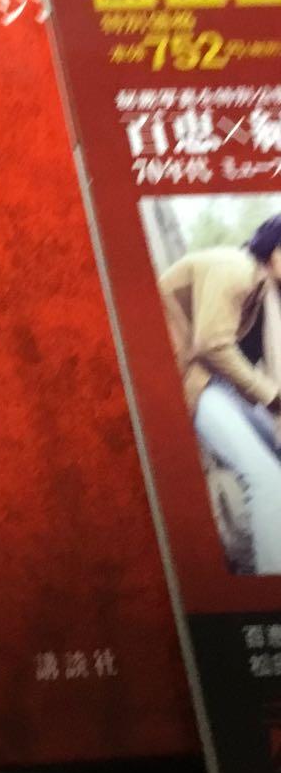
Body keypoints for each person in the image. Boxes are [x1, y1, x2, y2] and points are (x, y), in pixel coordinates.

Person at [160, 212, 281, 574]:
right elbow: (212, 344)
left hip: (206, 378)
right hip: (182, 379)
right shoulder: (237, 269)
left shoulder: (260, 288)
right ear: (275, 251)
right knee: (266, 479)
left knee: (275, 455)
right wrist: (270, 395)